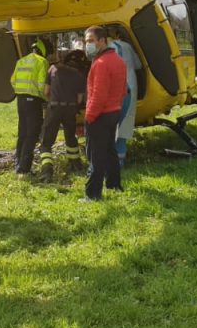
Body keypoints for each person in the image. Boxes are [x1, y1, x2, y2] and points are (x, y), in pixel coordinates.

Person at [83, 26, 127, 200]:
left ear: (102, 41)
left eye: (91, 41)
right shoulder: (117, 60)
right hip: (114, 111)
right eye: (86, 41)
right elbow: (124, 90)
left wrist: (89, 116)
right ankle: (114, 184)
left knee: (97, 155)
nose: (88, 45)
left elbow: (98, 95)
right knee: (110, 150)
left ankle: (93, 194)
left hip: (100, 114)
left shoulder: (100, 64)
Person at [38, 48, 87, 182]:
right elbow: (79, 99)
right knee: (71, 137)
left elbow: (46, 91)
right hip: (70, 109)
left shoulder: (52, 69)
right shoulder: (79, 75)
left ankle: (46, 172)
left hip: (54, 108)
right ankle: (76, 165)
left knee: (46, 142)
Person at [10, 38, 50, 176]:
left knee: (23, 131)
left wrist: (22, 93)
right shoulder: (42, 62)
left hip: (20, 100)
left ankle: (18, 162)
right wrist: (46, 99)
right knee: (32, 134)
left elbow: (13, 81)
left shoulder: (20, 61)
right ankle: (24, 168)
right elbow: (41, 85)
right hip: (33, 101)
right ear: (43, 51)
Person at [110, 37, 142, 166]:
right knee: (125, 121)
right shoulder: (128, 46)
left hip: (118, 88)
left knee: (113, 123)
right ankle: (120, 159)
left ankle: (112, 160)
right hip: (132, 84)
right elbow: (138, 65)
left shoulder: (110, 47)